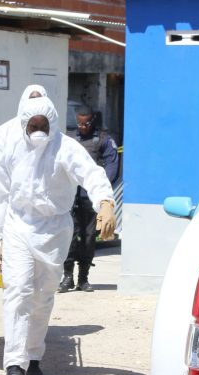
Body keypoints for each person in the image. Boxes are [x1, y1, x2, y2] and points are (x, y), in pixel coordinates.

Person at [0, 96, 116, 375]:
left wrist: (105, 202)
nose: (37, 129)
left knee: (43, 294)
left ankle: (33, 355)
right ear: (23, 123)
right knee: (18, 290)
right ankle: (14, 363)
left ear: (53, 123)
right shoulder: (11, 147)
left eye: (42, 124)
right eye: (32, 124)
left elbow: (93, 174)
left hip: (54, 230)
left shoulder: (66, 148)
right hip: (18, 226)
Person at [58, 106, 119, 293]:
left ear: (93, 121)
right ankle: (67, 276)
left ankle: (83, 278)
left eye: (86, 123)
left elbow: (111, 165)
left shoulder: (103, 140)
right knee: (69, 236)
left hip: (91, 198)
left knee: (89, 237)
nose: (82, 127)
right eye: (79, 123)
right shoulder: (68, 139)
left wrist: (101, 192)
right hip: (71, 196)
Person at [0, 84, 48, 233]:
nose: (35, 104)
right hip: (12, 214)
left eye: (39, 100)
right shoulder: (6, 132)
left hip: (45, 217)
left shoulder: (53, 136)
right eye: (32, 100)